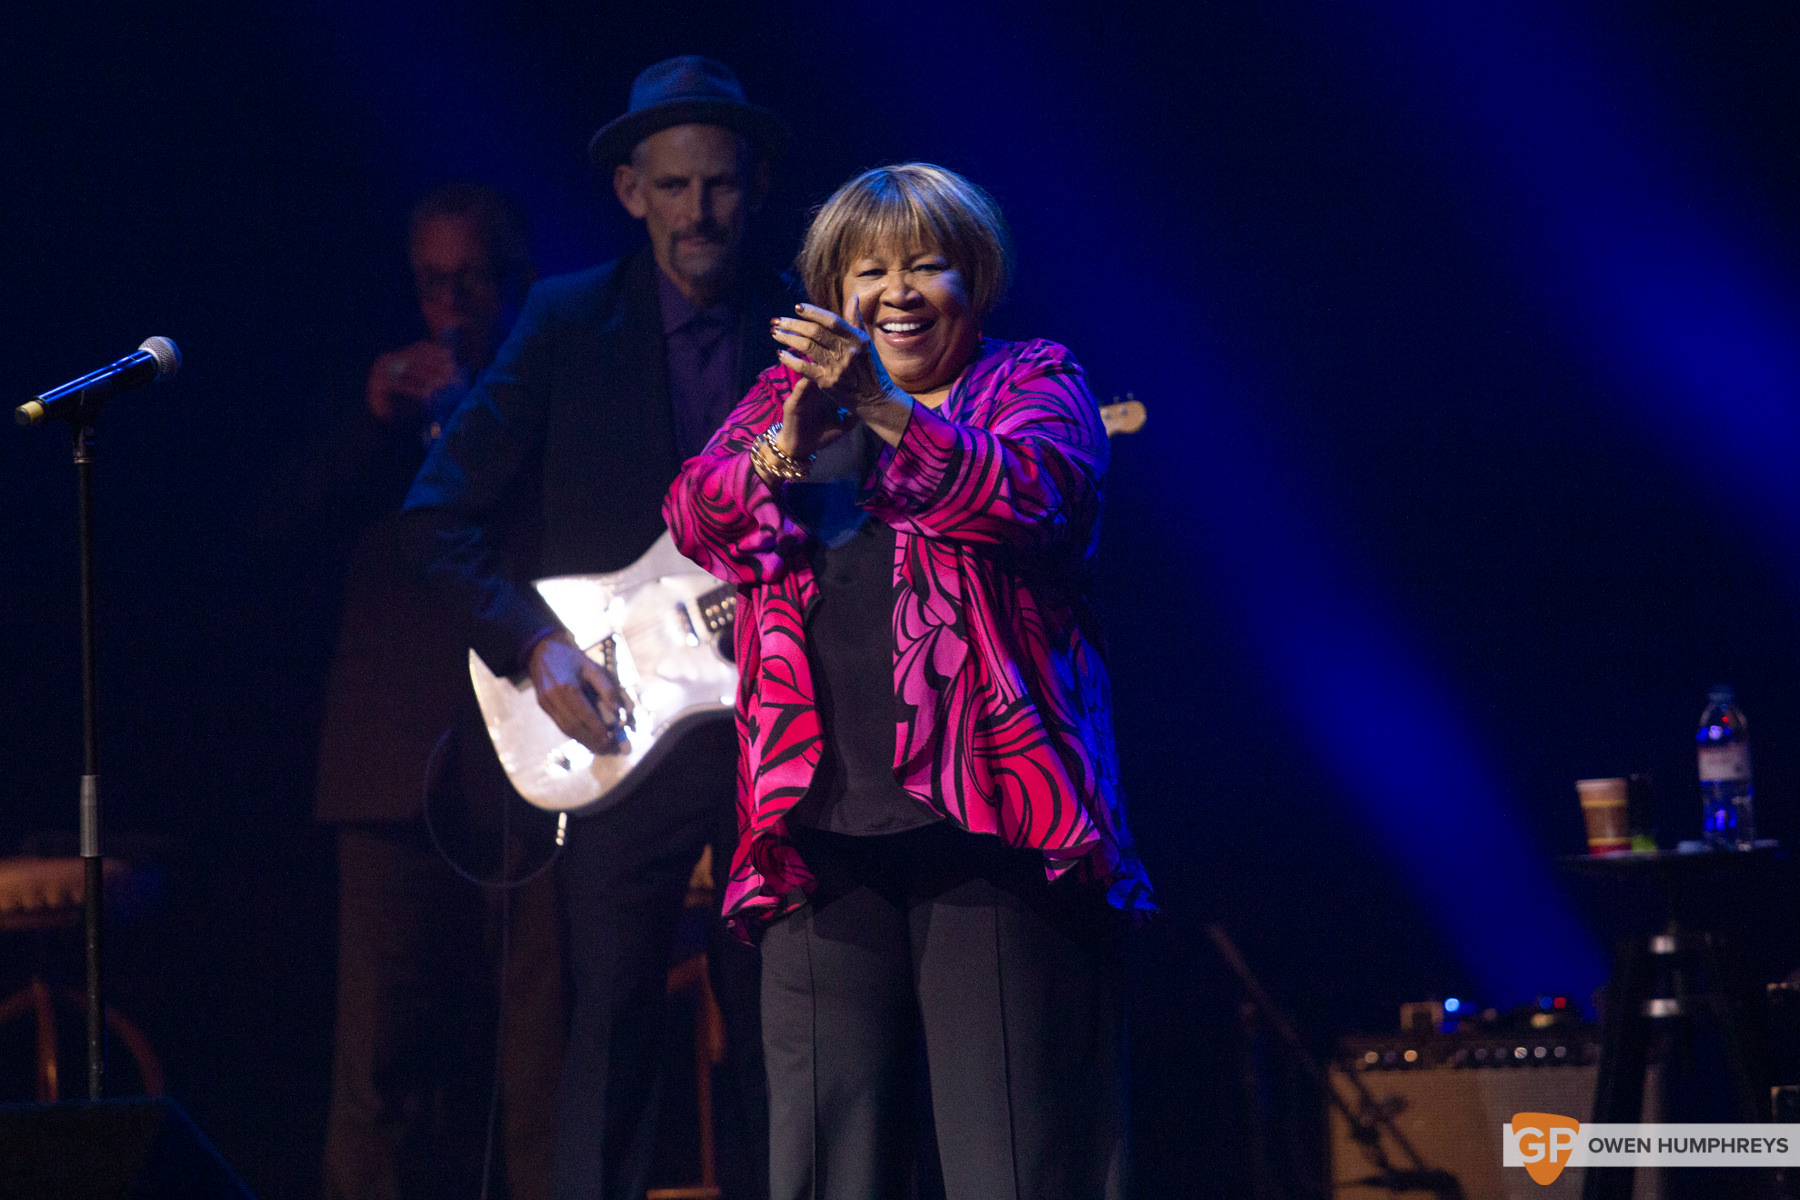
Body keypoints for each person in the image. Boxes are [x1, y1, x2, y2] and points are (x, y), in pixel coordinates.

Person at [664, 163, 1157, 1200]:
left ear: (973, 278)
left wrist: (885, 408)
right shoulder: (780, 400)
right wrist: (782, 456)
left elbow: (1031, 496)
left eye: (925, 266)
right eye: (869, 271)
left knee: (1014, 1158)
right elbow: (697, 521)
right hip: (813, 836)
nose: (895, 292)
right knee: (825, 1165)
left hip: (991, 829)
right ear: (834, 294)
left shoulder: (1034, 382)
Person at [399, 57, 788, 1200]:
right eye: (672, 188)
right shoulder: (573, 318)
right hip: (615, 725)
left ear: (754, 188)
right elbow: (439, 518)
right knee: (610, 1033)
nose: (698, 213)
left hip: (776, 729)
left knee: (781, 1035)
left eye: (718, 186)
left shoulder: (805, 334)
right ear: (629, 191)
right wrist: (534, 643)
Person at [307, 182, 564, 1200]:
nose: (450, 304)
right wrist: (372, 421)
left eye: (470, 280)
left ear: (508, 280)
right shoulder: (371, 398)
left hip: (530, 755)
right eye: (430, 284)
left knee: (540, 1056)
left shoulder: (542, 379)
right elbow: (265, 538)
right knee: (378, 1064)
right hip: (386, 762)